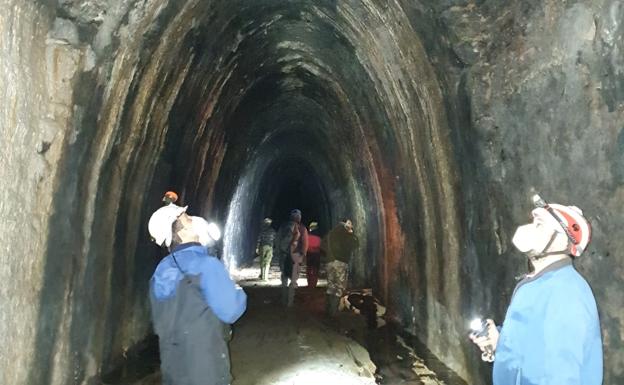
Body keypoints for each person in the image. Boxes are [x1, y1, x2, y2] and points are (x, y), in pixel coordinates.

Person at [470, 194, 602, 385]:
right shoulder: (539, 284)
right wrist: (499, 342)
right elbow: (531, 351)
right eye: (534, 222)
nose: (530, 228)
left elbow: (562, 377)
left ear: (563, 241)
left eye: (540, 225)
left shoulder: (567, 295)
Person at [147, 203, 247, 385]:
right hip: (207, 370)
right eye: (188, 219)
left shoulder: (159, 272)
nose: (194, 219)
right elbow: (231, 310)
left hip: (172, 369)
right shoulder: (206, 265)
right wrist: (238, 291)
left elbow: (159, 320)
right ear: (181, 234)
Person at [321, 218, 358, 316]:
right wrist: (351, 233)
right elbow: (355, 244)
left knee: (330, 286)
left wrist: (329, 254)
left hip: (329, 262)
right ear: (346, 223)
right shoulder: (345, 232)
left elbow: (322, 244)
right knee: (339, 287)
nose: (351, 225)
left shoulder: (331, 232)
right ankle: (333, 312)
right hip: (340, 262)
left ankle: (327, 310)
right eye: (350, 223)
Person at [276, 209, 308, 306]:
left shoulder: (283, 226)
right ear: (299, 217)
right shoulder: (302, 228)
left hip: (284, 254)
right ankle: (290, 302)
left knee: (284, 277)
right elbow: (305, 243)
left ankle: (283, 299)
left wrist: (279, 253)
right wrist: (303, 256)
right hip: (295, 256)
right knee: (293, 279)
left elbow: (277, 240)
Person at [306, 221, 322, 288]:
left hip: (309, 254)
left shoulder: (307, 236)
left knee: (309, 269)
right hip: (316, 254)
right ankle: (314, 284)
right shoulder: (319, 237)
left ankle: (309, 283)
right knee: (315, 269)